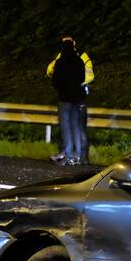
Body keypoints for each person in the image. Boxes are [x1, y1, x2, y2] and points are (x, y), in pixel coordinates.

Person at [46, 35, 89, 165]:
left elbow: (55, 81)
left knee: (65, 127)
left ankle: (68, 154)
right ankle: (77, 156)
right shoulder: (79, 61)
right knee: (76, 126)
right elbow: (82, 78)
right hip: (77, 98)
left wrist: (61, 89)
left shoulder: (60, 62)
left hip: (64, 98)